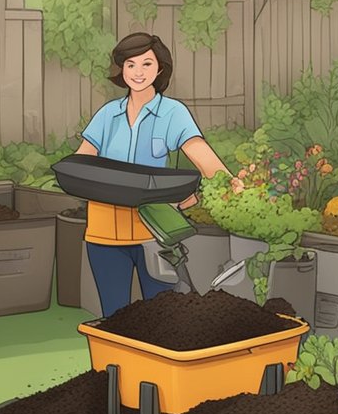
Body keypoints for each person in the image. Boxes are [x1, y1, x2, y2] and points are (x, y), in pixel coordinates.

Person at [75, 32, 228, 317]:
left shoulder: (173, 113)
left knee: (161, 316)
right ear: (122, 70)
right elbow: (82, 163)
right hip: (104, 234)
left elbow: (205, 160)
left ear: (160, 69)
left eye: (146, 64)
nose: (138, 72)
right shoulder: (108, 114)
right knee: (115, 318)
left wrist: (221, 188)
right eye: (131, 64)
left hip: (154, 234)